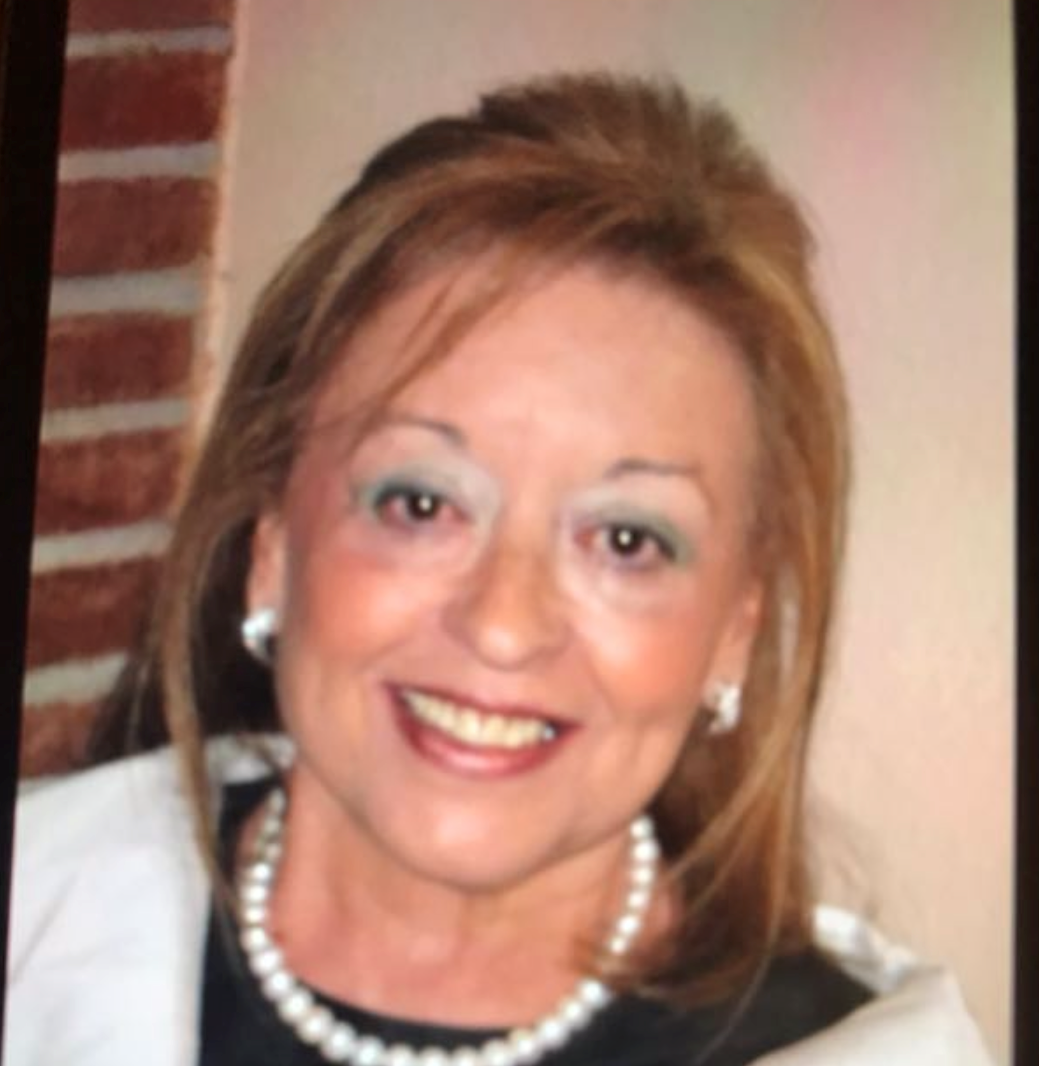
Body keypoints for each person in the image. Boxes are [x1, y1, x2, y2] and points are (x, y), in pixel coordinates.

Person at [5, 73, 994, 1066]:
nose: (503, 624)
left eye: (626, 541)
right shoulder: (41, 915)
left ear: (734, 628)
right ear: (271, 547)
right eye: (420, 504)